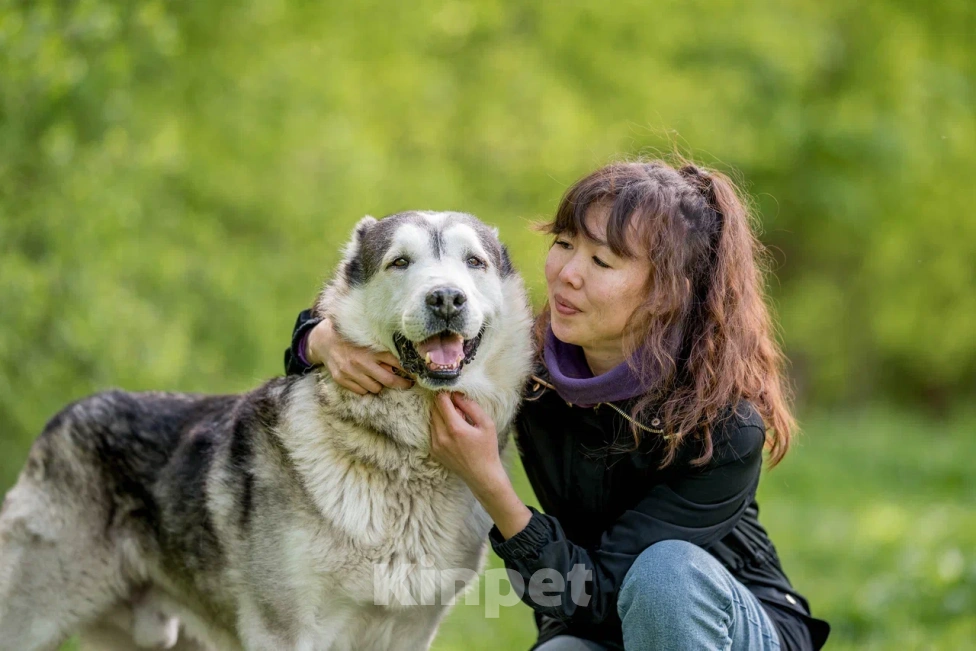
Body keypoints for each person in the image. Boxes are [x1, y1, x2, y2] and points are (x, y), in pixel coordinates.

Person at [283, 160, 830, 650]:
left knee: (665, 576)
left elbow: (602, 593)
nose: (568, 274)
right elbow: (381, 325)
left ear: (669, 291)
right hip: (590, 624)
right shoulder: (533, 372)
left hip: (723, 629)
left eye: (603, 262)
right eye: (565, 243)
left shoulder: (725, 427)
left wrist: (491, 485)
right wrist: (320, 340)